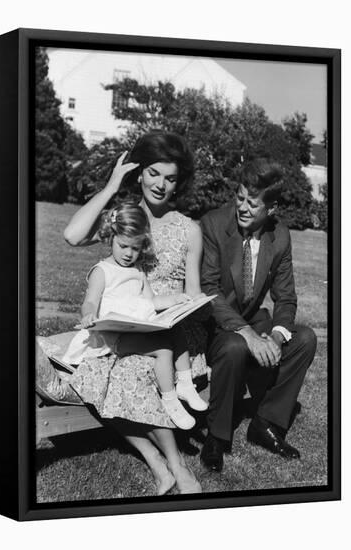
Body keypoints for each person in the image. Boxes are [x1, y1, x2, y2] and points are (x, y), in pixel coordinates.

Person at [62, 131, 208, 495]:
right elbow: (72, 235)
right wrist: (113, 185)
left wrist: (179, 308)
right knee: (96, 371)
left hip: (170, 333)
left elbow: (192, 296)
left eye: (170, 178)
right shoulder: (124, 220)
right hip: (123, 329)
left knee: (130, 369)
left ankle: (176, 465)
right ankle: (161, 463)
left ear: (179, 183)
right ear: (139, 173)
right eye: (154, 173)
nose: (160, 185)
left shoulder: (189, 229)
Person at [199, 158, 317, 473]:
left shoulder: (280, 236)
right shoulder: (213, 224)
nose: (243, 207)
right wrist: (248, 335)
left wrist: (277, 337)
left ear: (272, 208)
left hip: (253, 319)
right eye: (239, 198)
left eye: (253, 203)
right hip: (214, 324)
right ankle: (217, 436)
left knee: (305, 338)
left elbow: (286, 297)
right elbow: (209, 292)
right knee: (236, 346)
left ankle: (265, 423)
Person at [62, 201, 207, 429]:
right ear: (111, 238)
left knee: (176, 329)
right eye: (124, 246)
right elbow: (90, 301)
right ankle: (170, 401)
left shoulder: (137, 270)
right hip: (111, 336)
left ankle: (186, 383)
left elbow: (151, 300)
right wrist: (89, 315)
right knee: (163, 349)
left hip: (134, 327)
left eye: (136, 248)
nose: (129, 254)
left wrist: (175, 301)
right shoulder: (102, 271)